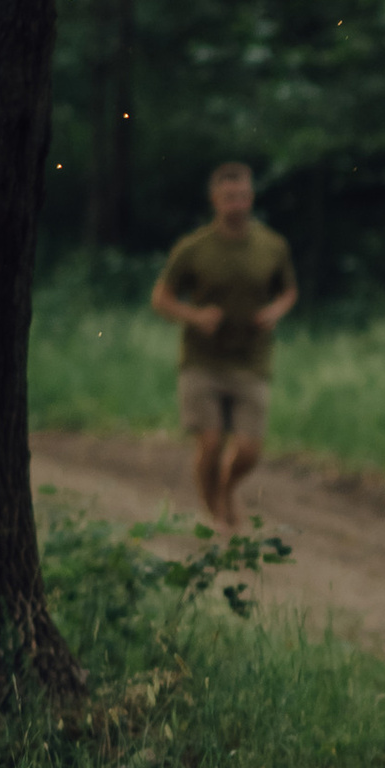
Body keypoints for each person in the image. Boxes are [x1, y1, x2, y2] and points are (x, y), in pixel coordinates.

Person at [149, 159, 298, 535]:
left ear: (251, 198)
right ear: (215, 200)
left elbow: (290, 291)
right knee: (211, 442)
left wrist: (275, 311)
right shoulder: (193, 249)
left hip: (252, 359)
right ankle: (214, 514)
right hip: (202, 360)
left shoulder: (272, 246)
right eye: (229, 197)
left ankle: (226, 492)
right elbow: (161, 298)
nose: (238, 204)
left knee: (248, 451)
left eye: (244, 196)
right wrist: (194, 316)